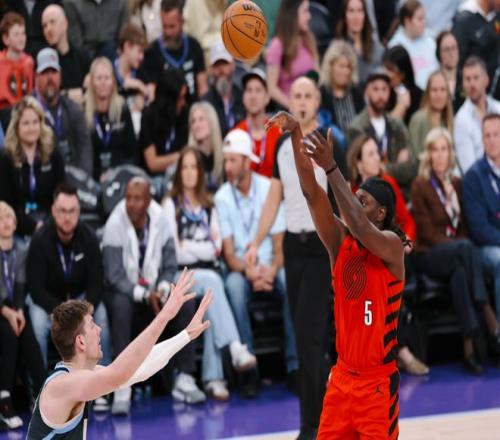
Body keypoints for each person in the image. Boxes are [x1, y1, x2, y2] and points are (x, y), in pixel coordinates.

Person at [266, 109, 407, 439]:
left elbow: (360, 224)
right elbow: (312, 194)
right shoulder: (339, 242)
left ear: (381, 213)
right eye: (354, 199)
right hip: (342, 381)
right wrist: (296, 134)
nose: (354, 205)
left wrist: (331, 167)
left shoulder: (392, 247)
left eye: (363, 201)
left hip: (377, 386)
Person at [246, 76, 347, 439]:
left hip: (322, 248)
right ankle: (319, 421)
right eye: (297, 96)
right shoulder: (281, 146)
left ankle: (312, 427)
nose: (302, 101)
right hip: (293, 247)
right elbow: (274, 197)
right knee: (305, 340)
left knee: (310, 339)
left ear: (318, 101)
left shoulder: (329, 141)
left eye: (308, 96)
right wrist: (256, 241)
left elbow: (343, 196)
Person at [25, 271, 211, 438]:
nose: (99, 329)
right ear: (80, 342)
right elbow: (118, 373)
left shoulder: (79, 376)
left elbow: (140, 369)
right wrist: (164, 316)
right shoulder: (64, 384)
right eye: (92, 325)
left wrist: (185, 336)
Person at [103, 178, 205, 413]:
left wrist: (162, 289)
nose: (130, 203)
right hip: (129, 296)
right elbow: (114, 276)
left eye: (137, 198)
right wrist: (144, 294)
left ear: (148, 201)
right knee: (120, 304)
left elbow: (170, 266)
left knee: (184, 300)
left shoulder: (161, 220)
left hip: (155, 293)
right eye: (128, 198)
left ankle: (185, 378)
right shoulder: (114, 223)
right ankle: (121, 385)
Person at [162, 147, 257, 400]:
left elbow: (216, 249)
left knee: (211, 296)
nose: (189, 172)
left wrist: (189, 246)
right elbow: (175, 252)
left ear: (200, 172)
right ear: (179, 172)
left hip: (208, 272)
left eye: (194, 167)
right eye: (185, 167)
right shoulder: (170, 205)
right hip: (180, 276)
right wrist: (197, 248)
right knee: (214, 283)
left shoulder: (209, 205)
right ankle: (233, 349)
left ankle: (214, 377)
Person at [215, 129, 298, 399]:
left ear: (246, 161)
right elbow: (229, 254)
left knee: (290, 280)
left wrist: (271, 270)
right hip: (242, 269)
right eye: (225, 161)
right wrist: (249, 271)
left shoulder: (268, 188)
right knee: (234, 287)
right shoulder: (222, 197)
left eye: (232, 160)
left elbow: (280, 245)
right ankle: (248, 368)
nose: (227, 167)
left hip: (272, 265)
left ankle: (295, 366)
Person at [411, 127, 500, 374]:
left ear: (450, 153)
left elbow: (463, 227)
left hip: (457, 256)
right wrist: (457, 245)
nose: (440, 155)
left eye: (444, 149)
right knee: (465, 248)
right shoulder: (420, 185)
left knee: (460, 273)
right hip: (429, 254)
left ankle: (469, 349)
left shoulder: (457, 184)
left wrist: (459, 246)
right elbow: (426, 233)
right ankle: (488, 314)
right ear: (428, 154)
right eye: (435, 150)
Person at [346, 134, 429, 375]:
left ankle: (398, 351)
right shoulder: (351, 192)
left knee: (386, 284)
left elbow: (406, 219)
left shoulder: (388, 183)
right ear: (359, 163)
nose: (377, 159)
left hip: (393, 253)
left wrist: (406, 240)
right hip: (364, 258)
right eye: (370, 154)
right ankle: (398, 351)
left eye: (377, 153)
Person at [26, 185, 111, 372]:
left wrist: (81, 310)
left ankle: (103, 380)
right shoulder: (39, 240)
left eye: (72, 211)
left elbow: (96, 284)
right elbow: (36, 289)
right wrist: (63, 311)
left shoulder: (89, 238)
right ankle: (42, 383)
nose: (67, 217)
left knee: (102, 319)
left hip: (81, 300)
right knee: (37, 325)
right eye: (62, 211)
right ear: (53, 211)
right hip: (48, 303)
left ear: (79, 212)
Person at [0, 201, 45, 430]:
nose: (6, 222)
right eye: (0, 219)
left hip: (12, 307)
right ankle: (4, 399)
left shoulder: (20, 250)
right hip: (0, 309)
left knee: (28, 337)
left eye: (9, 217)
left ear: (16, 223)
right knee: (9, 336)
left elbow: (19, 284)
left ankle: (44, 394)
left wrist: (18, 310)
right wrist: (7, 312)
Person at [0, 96, 65, 237]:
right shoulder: (6, 159)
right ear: (16, 126)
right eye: (26, 123)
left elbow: (61, 195)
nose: (31, 128)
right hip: (16, 227)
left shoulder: (53, 154)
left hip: (50, 225)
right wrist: (32, 227)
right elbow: (5, 204)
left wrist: (48, 225)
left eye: (35, 122)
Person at [347, 69, 414, 199]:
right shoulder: (356, 128)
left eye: (384, 89)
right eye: (376, 89)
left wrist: (383, 167)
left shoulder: (397, 125)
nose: (381, 95)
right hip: (369, 195)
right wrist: (395, 167)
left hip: (400, 194)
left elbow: (411, 169)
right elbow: (357, 169)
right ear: (367, 92)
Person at [463, 114, 500, 325]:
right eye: (487, 136)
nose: (492, 140)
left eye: (496, 135)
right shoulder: (474, 176)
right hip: (485, 247)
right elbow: (479, 229)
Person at [34, 48, 93, 175]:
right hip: (43, 177)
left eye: (53, 72)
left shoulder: (73, 109)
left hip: (74, 178)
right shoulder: (30, 112)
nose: (50, 78)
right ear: (36, 77)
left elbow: (85, 149)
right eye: (45, 72)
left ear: (60, 75)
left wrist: (82, 179)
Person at [139, 0, 208, 101]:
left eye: (172, 26)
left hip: (193, 108)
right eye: (164, 26)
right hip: (164, 109)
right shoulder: (152, 53)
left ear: (182, 22)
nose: (168, 32)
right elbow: (151, 94)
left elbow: (203, 89)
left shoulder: (194, 47)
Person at [84, 57, 138, 182]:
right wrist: (98, 175)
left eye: (107, 78)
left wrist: (119, 174)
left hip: (121, 176)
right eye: (99, 78)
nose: (103, 82)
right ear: (92, 82)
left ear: (113, 81)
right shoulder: (83, 112)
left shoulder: (123, 109)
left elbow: (132, 153)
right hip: (92, 178)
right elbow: (82, 155)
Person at [140, 68, 188, 194]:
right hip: (151, 180)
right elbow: (152, 163)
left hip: (178, 177)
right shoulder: (148, 117)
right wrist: (180, 157)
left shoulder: (184, 114)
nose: (183, 103)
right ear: (169, 98)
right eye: (180, 98)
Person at [266, 0, 319, 109]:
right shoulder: (277, 45)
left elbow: (317, 77)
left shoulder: (310, 40)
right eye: (305, 11)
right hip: (288, 110)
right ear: (293, 14)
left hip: (311, 110)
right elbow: (271, 88)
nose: (309, 16)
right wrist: (294, 107)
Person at [454, 56, 500, 174]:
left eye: (476, 78)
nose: (472, 84)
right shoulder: (461, 120)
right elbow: (470, 170)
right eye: (467, 79)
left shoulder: (498, 108)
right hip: (481, 180)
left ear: (486, 80)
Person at [235, 68, 283, 178]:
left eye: (258, 90)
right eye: (249, 90)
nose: (253, 96)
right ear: (243, 97)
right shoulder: (236, 134)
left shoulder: (278, 133)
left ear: (267, 97)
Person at [41, 4, 90, 104]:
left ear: (65, 24)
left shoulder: (82, 57)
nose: (48, 29)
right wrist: (68, 95)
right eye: (44, 26)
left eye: (52, 22)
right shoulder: (43, 61)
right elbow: (44, 96)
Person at [388, 0, 439, 90]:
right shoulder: (395, 47)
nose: (424, 22)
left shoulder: (430, 41)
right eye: (420, 19)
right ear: (407, 21)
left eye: (424, 18)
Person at [452, 0, 499, 95]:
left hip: (495, 92)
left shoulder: (497, 15)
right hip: (471, 94)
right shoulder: (463, 19)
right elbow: (457, 63)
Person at [319, 40, 365, 134]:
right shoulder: (321, 94)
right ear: (330, 66)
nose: (346, 71)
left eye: (348, 67)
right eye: (341, 66)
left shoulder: (356, 92)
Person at [409, 70, 454, 164]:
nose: (439, 95)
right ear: (428, 93)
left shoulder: (449, 121)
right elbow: (414, 158)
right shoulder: (419, 119)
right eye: (434, 90)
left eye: (443, 90)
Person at [202, 39, 245, 137]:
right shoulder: (205, 103)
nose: (221, 69)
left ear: (233, 65)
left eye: (224, 63)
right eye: (217, 64)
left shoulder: (243, 97)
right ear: (211, 69)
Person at [335, 0, 384, 84]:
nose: (356, 17)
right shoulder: (336, 49)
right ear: (344, 17)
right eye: (351, 11)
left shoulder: (378, 50)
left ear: (365, 16)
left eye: (360, 11)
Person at [64, 0, 129, 60]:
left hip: (113, 54)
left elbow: (123, 38)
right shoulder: (72, 3)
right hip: (85, 56)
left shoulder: (121, 2)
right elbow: (76, 43)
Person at [114, 23, 151, 114]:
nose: (142, 57)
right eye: (139, 51)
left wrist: (141, 87)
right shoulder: (110, 71)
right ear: (127, 47)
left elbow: (150, 98)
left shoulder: (143, 71)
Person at [0, 12, 34, 110]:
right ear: (6, 39)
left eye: (23, 33)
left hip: (24, 110)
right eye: (16, 34)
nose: (21, 38)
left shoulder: (29, 62)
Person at [187, 101, 224, 190]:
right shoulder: (189, 159)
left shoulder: (224, 157)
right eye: (193, 121)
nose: (196, 125)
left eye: (201, 119)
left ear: (212, 122)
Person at [383, 45, 423, 126]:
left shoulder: (419, 96)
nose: (385, 73)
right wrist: (401, 106)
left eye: (390, 69)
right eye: (384, 68)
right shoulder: (381, 94)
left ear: (403, 74)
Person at [435, 30, 464, 112]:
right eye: (446, 49)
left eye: (454, 48)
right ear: (439, 54)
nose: (451, 53)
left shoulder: (466, 79)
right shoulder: (434, 80)